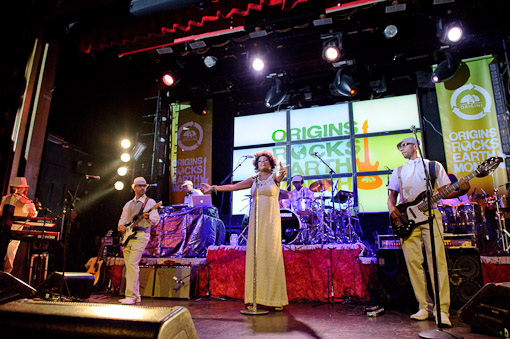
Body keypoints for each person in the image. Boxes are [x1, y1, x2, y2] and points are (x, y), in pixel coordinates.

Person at [387, 137, 470, 327]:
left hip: (431, 216)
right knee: (413, 263)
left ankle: (442, 310)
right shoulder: (399, 171)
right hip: (408, 220)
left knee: (437, 262)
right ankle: (423, 306)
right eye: (399, 146)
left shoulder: (433, 166)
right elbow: (392, 196)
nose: (401, 149)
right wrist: (392, 209)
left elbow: (445, 191)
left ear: (415, 146)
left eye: (404, 145)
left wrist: (461, 190)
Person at [201, 150, 289, 310]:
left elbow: (280, 177)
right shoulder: (253, 179)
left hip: (270, 221)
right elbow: (233, 186)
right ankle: (256, 298)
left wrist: (283, 173)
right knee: (256, 257)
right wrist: (213, 188)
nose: (263, 162)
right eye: (260, 161)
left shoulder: (274, 177)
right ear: (257, 164)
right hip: (256, 221)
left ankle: (276, 299)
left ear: (271, 163)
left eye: (265, 160)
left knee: (271, 255)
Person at [117, 177, 160, 305]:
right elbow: (123, 218)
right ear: (134, 187)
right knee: (129, 265)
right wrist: (121, 226)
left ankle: (131, 295)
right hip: (128, 236)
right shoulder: (129, 204)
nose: (142, 188)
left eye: (144, 186)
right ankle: (136, 296)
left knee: (132, 264)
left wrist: (148, 218)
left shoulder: (150, 202)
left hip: (141, 235)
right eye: (139, 186)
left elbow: (156, 220)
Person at [0, 177, 37, 273]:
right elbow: (33, 215)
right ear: (24, 189)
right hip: (15, 233)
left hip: (5, 231)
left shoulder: (5, 199)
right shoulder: (28, 203)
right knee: (9, 258)